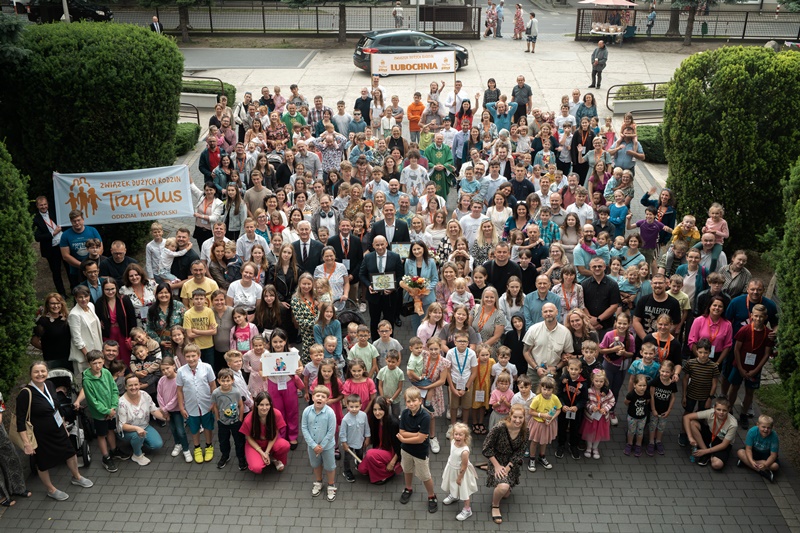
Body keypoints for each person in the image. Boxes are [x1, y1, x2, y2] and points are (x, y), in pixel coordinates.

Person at [16, 361, 94, 501]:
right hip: (40, 435)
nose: (40, 374)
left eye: (43, 371)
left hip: (58, 429)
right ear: (30, 374)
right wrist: (26, 443)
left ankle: (76, 477)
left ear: (47, 372)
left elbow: (55, 408)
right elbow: (20, 421)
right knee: (43, 463)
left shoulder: (50, 385)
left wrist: (63, 425)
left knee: (70, 453)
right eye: (36, 372)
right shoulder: (25, 394)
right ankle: (51, 490)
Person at [483, 404, 527, 524]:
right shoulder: (499, 428)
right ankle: (495, 505)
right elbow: (486, 448)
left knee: (506, 494)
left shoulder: (525, 430)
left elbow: (520, 451)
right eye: (515, 417)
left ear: (524, 417)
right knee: (503, 487)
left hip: (511, 462)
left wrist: (508, 467)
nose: (517, 420)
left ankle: (497, 479)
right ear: (510, 416)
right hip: (496, 459)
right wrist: (497, 466)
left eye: (521, 417)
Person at [177, 343, 217, 463]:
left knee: (208, 427)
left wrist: (214, 403)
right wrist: (181, 407)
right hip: (191, 406)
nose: (191, 359)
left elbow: (213, 385)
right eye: (188, 356)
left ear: (198, 355)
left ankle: (209, 446)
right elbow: (179, 390)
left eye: (193, 356)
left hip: (206, 405)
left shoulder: (207, 367)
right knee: (194, 429)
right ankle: (197, 448)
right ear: (184, 357)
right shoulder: (181, 371)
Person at [118, 374, 166, 466]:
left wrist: (165, 417)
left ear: (139, 385)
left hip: (144, 426)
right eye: (130, 385)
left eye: (136, 384)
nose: (134, 387)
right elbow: (122, 425)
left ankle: (137, 443)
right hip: (128, 431)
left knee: (157, 445)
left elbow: (153, 410)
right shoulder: (122, 403)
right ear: (126, 387)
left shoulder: (144, 395)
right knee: (137, 435)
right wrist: (137, 428)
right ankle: (137, 455)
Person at [302, 385, 338, 501]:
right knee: (316, 464)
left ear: (327, 400)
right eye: (318, 395)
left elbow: (331, 431)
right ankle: (318, 481)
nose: (320, 398)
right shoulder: (307, 411)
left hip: (327, 447)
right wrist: (313, 445)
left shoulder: (330, 413)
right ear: (313, 397)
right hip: (312, 447)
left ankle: (331, 485)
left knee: (330, 466)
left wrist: (322, 446)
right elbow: (304, 428)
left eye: (323, 397)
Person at [241, 391, 291, 474]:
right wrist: (262, 453)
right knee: (256, 468)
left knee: (285, 445)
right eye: (261, 405)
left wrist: (266, 452)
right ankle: (263, 457)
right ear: (256, 405)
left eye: (267, 404)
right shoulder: (249, 419)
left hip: (270, 441)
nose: (264, 408)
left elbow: (275, 433)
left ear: (270, 404)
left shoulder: (276, 414)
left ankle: (274, 458)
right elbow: (248, 438)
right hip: (255, 444)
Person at [683, 397, 738, 470]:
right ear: (714, 408)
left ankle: (706, 452)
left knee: (717, 465)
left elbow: (724, 445)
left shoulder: (733, 424)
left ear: (729, 410)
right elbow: (686, 417)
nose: (721, 412)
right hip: (711, 434)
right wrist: (690, 437)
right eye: (718, 409)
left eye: (724, 410)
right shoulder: (710, 412)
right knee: (692, 423)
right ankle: (706, 452)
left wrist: (705, 451)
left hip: (721, 441)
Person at [440, 422, 478, 521]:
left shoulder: (464, 451)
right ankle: (454, 495)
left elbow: (464, 466)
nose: (457, 436)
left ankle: (467, 509)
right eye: (456, 434)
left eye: (460, 435)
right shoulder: (452, 441)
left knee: (464, 490)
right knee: (452, 483)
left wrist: (459, 478)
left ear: (465, 436)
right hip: (452, 468)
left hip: (461, 472)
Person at [211, 368, 246, 470]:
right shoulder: (216, 393)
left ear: (232, 380)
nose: (225, 383)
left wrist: (240, 419)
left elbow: (241, 405)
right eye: (223, 380)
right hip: (222, 422)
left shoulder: (236, 392)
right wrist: (217, 418)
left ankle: (241, 457)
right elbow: (215, 406)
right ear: (218, 381)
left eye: (228, 380)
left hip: (236, 422)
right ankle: (225, 455)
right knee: (223, 441)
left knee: (239, 441)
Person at [60, 209, 103, 290]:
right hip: (76, 270)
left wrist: (92, 265)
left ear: (83, 219)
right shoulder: (65, 235)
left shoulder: (92, 231)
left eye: (78, 220)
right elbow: (65, 255)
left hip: (94, 268)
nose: (77, 223)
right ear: (71, 221)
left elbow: (100, 248)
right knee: (79, 292)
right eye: (74, 221)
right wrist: (83, 265)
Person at [33, 196, 67, 296]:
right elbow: (37, 237)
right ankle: (62, 293)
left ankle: (74, 289)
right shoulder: (35, 219)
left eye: (45, 204)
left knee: (69, 268)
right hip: (51, 248)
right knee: (56, 272)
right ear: (37, 206)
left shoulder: (55, 213)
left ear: (48, 204)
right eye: (41, 205)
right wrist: (53, 233)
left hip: (64, 245)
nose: (43, 207)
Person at [737, 415, 779, 482]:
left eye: (769, 428)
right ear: (758, 425)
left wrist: (765, 464)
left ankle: (745, 462)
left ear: (772, 428)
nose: (766, 430)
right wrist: (751, 461)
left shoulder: (774, 436)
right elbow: (748, 449)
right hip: (754, 452)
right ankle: (762, 472)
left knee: (775, 466)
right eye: (763, 427)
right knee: (740, 452)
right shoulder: (752, 431)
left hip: (766, 455)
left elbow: (773, 455)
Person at [339, 394, 370, 483]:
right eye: (351, 407)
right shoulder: (345, 419)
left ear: (360, 405)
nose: (354, 409)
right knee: (347, 458)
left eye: (356, 406)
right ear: (347, 406)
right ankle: (347, 471)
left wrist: (367, 438)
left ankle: (359, 465)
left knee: (360, 454)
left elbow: (367, 427)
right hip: (349, 444)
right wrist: (344, 443)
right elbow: (342, 433)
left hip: (360, 441)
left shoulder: (364, 415)